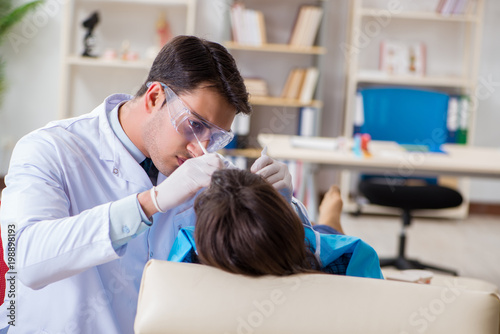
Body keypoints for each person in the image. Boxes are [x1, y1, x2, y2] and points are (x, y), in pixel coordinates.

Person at [0, 36, 297, 333]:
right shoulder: (50, 148)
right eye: (194, 125)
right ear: (155, 97)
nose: (200, 149)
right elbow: (26, 260)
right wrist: (150, 203)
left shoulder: (205, 166)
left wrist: (283, 206)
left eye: (216, 137)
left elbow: (291, 260)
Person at [168, 169, 383, 279]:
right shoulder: (338, 263)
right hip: (297, 244)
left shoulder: (191, 263)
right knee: (324, 233)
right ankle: (329, 217)